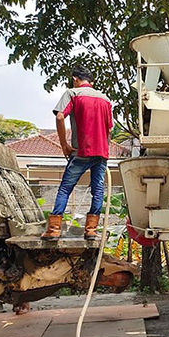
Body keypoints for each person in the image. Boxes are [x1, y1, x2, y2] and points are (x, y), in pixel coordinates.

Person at [41, 65, 113, 241]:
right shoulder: (105, 99)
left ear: (75, 78)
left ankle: (54, 230)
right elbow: (109, 129)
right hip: (101, 153)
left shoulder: (72, 93)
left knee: (65, 188)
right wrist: (104, 148)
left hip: (81, 151)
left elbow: (59, 117)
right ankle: (91, 231)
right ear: (92, 81)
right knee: (97, 191)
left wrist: (64, 144)